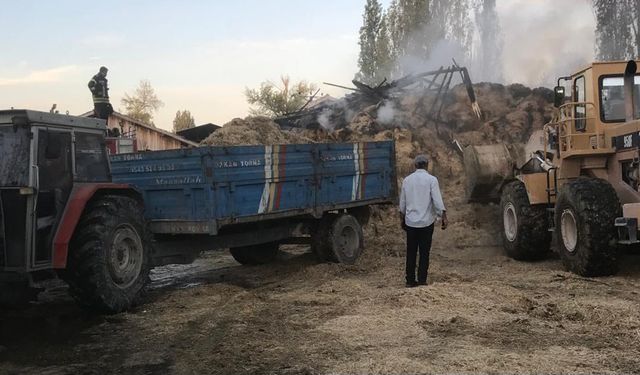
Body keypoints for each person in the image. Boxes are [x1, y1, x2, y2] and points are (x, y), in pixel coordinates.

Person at [399, 154, 448, 287]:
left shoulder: (407, 180)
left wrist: (402, 219)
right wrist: (443, 216)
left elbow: (402, 203)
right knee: (424, 252)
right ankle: (421, 280)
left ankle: (409, 280)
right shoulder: (432, 180)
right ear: (427, 165)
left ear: (415, 165)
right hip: (426, 223)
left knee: (411, 252)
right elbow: (437, 201)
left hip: (411, 223)